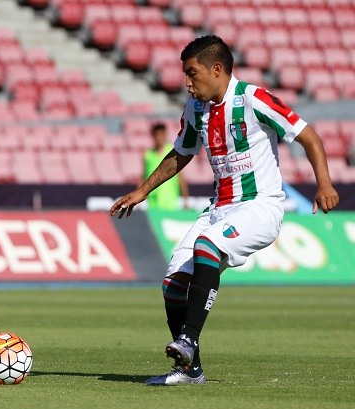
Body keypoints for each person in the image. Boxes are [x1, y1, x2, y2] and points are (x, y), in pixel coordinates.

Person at [110, 35, 339, 385]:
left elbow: (307, 135)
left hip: (260, 206)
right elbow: (181, 153)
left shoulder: (253, 99)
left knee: (208, 247)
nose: (187, 82)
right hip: (219, 208)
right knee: (173, 283)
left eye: (192, 73)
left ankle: (187, 340)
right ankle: (190, 371)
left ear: (217, 69)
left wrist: (324, 183)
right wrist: (142, 190)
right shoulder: (195, 109)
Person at [143, 122, 190, 210]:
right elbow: (143, 176)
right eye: (157, 135)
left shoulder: (172, 152)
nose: (159, 137)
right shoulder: (148, 155)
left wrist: (185, 199)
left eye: (161, 134)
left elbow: (180, 176)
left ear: (165, 134)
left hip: (169, 200)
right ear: (153, 135)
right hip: (153, 202)